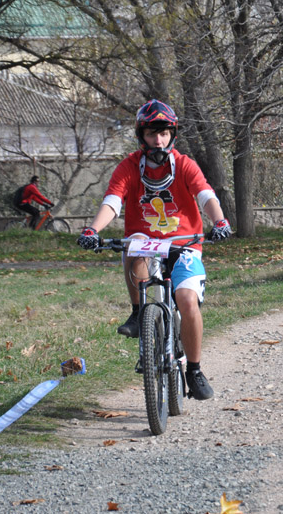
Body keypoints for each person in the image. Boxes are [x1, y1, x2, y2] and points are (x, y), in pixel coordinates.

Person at [76, 99, 231, 401]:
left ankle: (195, 370)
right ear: (141, 136)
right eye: (151, 133)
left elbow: (206, 196)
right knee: (132, 249)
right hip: (147, 244)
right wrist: (93, 229)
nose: (157, 140)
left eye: (163, 133)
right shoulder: (129, 166)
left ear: (172, 134)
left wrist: (220, 221)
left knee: (187, 302)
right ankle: (138, 314)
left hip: (185, 243)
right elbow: (112, 201)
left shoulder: (185, 165)